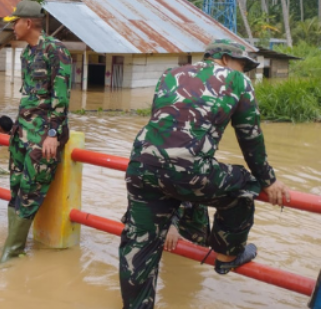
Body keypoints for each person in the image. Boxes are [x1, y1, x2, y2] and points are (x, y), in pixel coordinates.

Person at [119, 39, 291, 309]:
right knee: (245, 184)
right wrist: (269, 180)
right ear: (224, 59)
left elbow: (164, 126)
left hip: (141, 165)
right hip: (188, 170)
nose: (243, 71)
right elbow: (250, 137)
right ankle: (226, 254)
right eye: (242, 64)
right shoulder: (237, 81)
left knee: (138, 248)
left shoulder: (170, 74)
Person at [0, 0, 73, 263]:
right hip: (22, 134)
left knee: (30, 190)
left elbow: (60, 97)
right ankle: (12, 245)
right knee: (16, 186)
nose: (12, 28)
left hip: (42, 138)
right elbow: (28, 96)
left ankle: (13, 251)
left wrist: (53, 134)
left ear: (28, 23)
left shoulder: (56, 50)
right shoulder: (26, 54)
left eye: (15, 23)